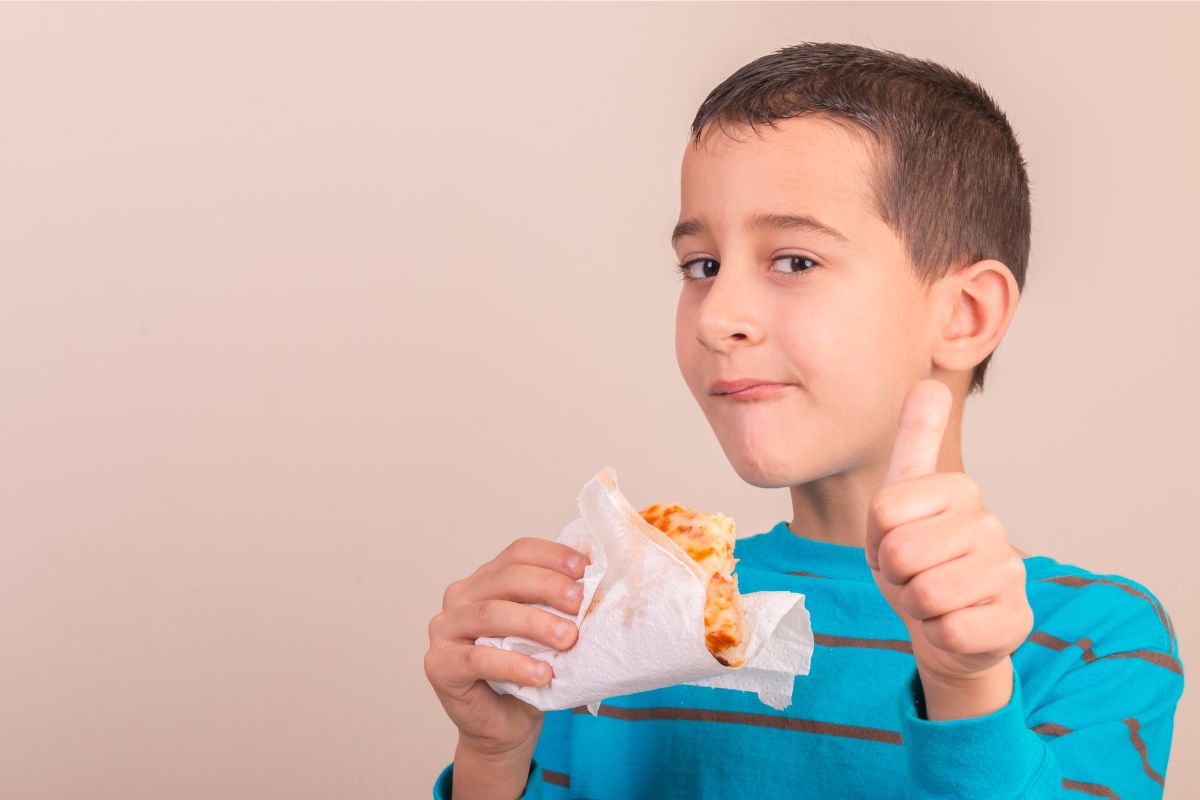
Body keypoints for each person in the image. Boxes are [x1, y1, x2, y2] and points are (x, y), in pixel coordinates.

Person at [423, 41, 1184, 799]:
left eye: (794, 261)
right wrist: (492, 757)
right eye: (702, 266)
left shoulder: (1092, 640)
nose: (718, 317)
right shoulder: (619, 620)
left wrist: (965, 684)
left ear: (964, 314)